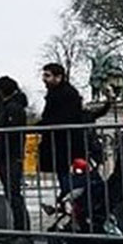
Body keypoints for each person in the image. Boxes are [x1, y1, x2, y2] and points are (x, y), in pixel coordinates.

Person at [0, 76, 33, 244]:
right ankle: (18, 231)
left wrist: (2, 152)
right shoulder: (11, 107)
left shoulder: (13, 109)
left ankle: (23, 232)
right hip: (8, 156)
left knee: (14, 194)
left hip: (11, 156)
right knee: (11, 194)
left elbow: (11, 135)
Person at [38, 63, 87, 191]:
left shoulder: (64, 94)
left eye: (47, 75)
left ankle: (70, 203)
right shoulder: (60, 93)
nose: (44, 78)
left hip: (65, 144)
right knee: (65, 176)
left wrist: (40, 126)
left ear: (58, 77)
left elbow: (60, 118)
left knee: (68, 179)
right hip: (63, 143)